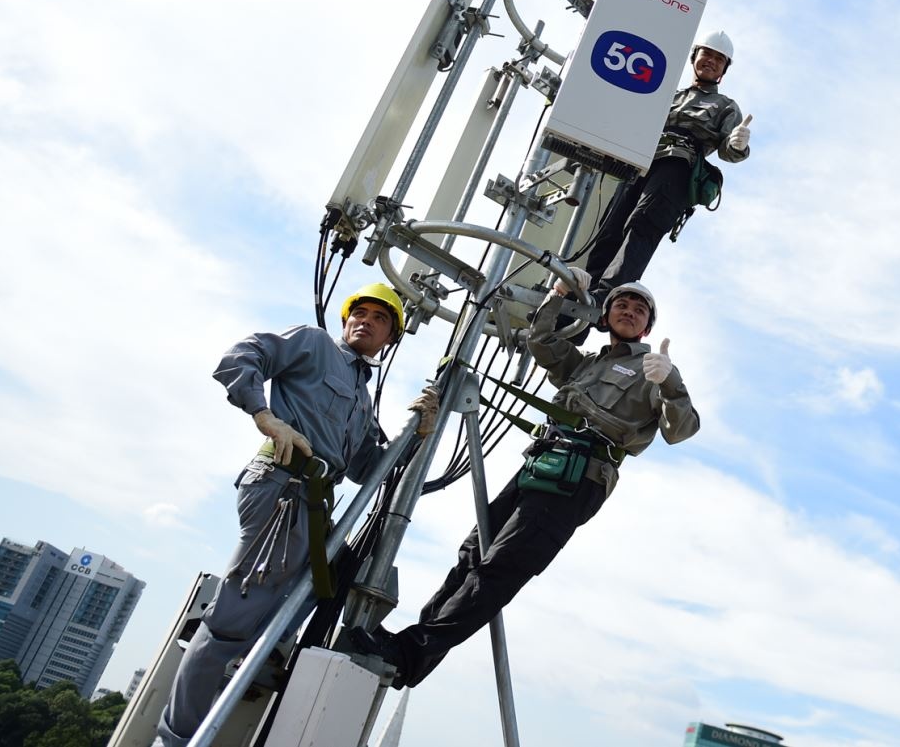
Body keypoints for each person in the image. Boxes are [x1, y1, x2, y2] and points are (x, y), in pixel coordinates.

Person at [342, 272, 698, 687]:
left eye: (640, 311)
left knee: (501, 567)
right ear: (606, 314)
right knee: (474, 553)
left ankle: (408, 651)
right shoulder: (589, 363)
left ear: (648, 327)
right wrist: (558, 295)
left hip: (580, 475)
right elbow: (541, 342)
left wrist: (670, 383)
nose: (630, 312)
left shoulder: (651, 370)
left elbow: (680, 430)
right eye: (622, 304)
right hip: (544, 462)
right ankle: (409, 655)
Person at [156, 283, 438, 747]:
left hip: (313, 503)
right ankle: (174, 740)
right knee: (230, 624)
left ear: (391, 337)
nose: (364, 321)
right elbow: (243, 354)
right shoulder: (314, 345)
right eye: (359, 313)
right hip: (283, 489)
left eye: (379, 318)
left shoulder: (363, 400)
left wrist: (417, 435)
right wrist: (263, 414)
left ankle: (258, 660)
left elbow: (372, 468)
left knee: (338, 575)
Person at [582, 30, 751, 296]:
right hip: (640, 162)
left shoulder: (724, 106)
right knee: (611, 226)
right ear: (695, 56)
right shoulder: (665, 92)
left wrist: (738, 144)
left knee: (642, 224)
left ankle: (608, 294)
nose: (711, 61)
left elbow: (728, 151)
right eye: (707, 54)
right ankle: (584, 292)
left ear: (724, 70)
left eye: (719, 59)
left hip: (678, 165)